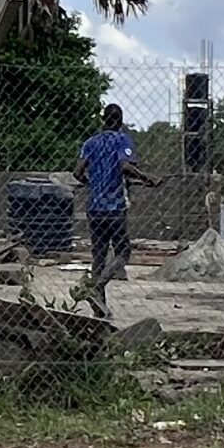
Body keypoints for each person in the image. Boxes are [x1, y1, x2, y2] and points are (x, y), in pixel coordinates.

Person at [74, 103, 160, 312]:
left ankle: (99, 307)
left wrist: (91, 184)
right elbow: (125, 166)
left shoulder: (91, 142)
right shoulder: (122, 140)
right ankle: (98, 285)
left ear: (104, 120)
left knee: (99, 256)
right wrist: (145, 177)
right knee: (123, 251)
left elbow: (77, 172)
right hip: (114, 208)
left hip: (94, 207)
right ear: (120, 121)